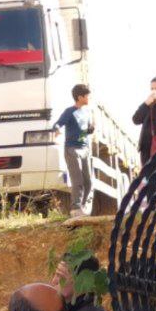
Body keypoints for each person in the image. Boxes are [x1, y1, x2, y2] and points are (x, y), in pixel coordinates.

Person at [52, 84, 96, 218]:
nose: (89, 97)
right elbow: (58, 123)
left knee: (88, 182)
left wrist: (92, 128)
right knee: (78, 181)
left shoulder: (87, 112)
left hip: (85, 149)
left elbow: (85, 131)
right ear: (80, 97)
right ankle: (75, 209)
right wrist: (57, 129)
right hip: (72, 149)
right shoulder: (69, 111)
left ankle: (81, 207)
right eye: (87, 95)